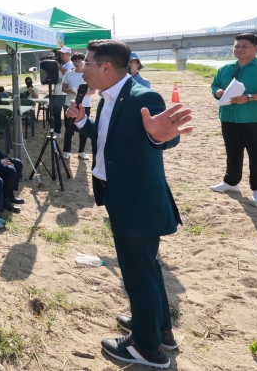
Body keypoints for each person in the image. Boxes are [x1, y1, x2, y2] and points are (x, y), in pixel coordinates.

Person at [67, 39, 191, 368]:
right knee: (146, 268)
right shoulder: (108, 97)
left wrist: (158, 136)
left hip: (137, 201)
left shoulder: (141, 96)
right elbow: (108, 138)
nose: (82, 71)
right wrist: (82, 122)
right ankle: (159, 328)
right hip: (119, 195)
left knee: (138, 273)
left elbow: (165, 133)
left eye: (88, 64)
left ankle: (147, 348)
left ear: (106, 68)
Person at [209, 33, 257, 205]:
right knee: (232, 151)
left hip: (255, 119)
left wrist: (249, 97)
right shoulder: (225, 69)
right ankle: (231, 182)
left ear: (256, 48)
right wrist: (217, 92)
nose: (239, 49)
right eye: (236, 46)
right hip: (229, 117)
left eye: (244, 46)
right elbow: (214, 85)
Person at [62, 53, 95, 160]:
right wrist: (71, 90)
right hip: (70, 104)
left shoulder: (89, 73)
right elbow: (63, 89)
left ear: (83, 61)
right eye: (75, 61)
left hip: (85, 105)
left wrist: (82, 94)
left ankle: (82, 151)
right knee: (69, 128)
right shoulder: (68, 74)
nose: (77, 63)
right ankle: (66, 151)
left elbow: (93, 90)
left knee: (84, 128)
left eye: (79, 60)